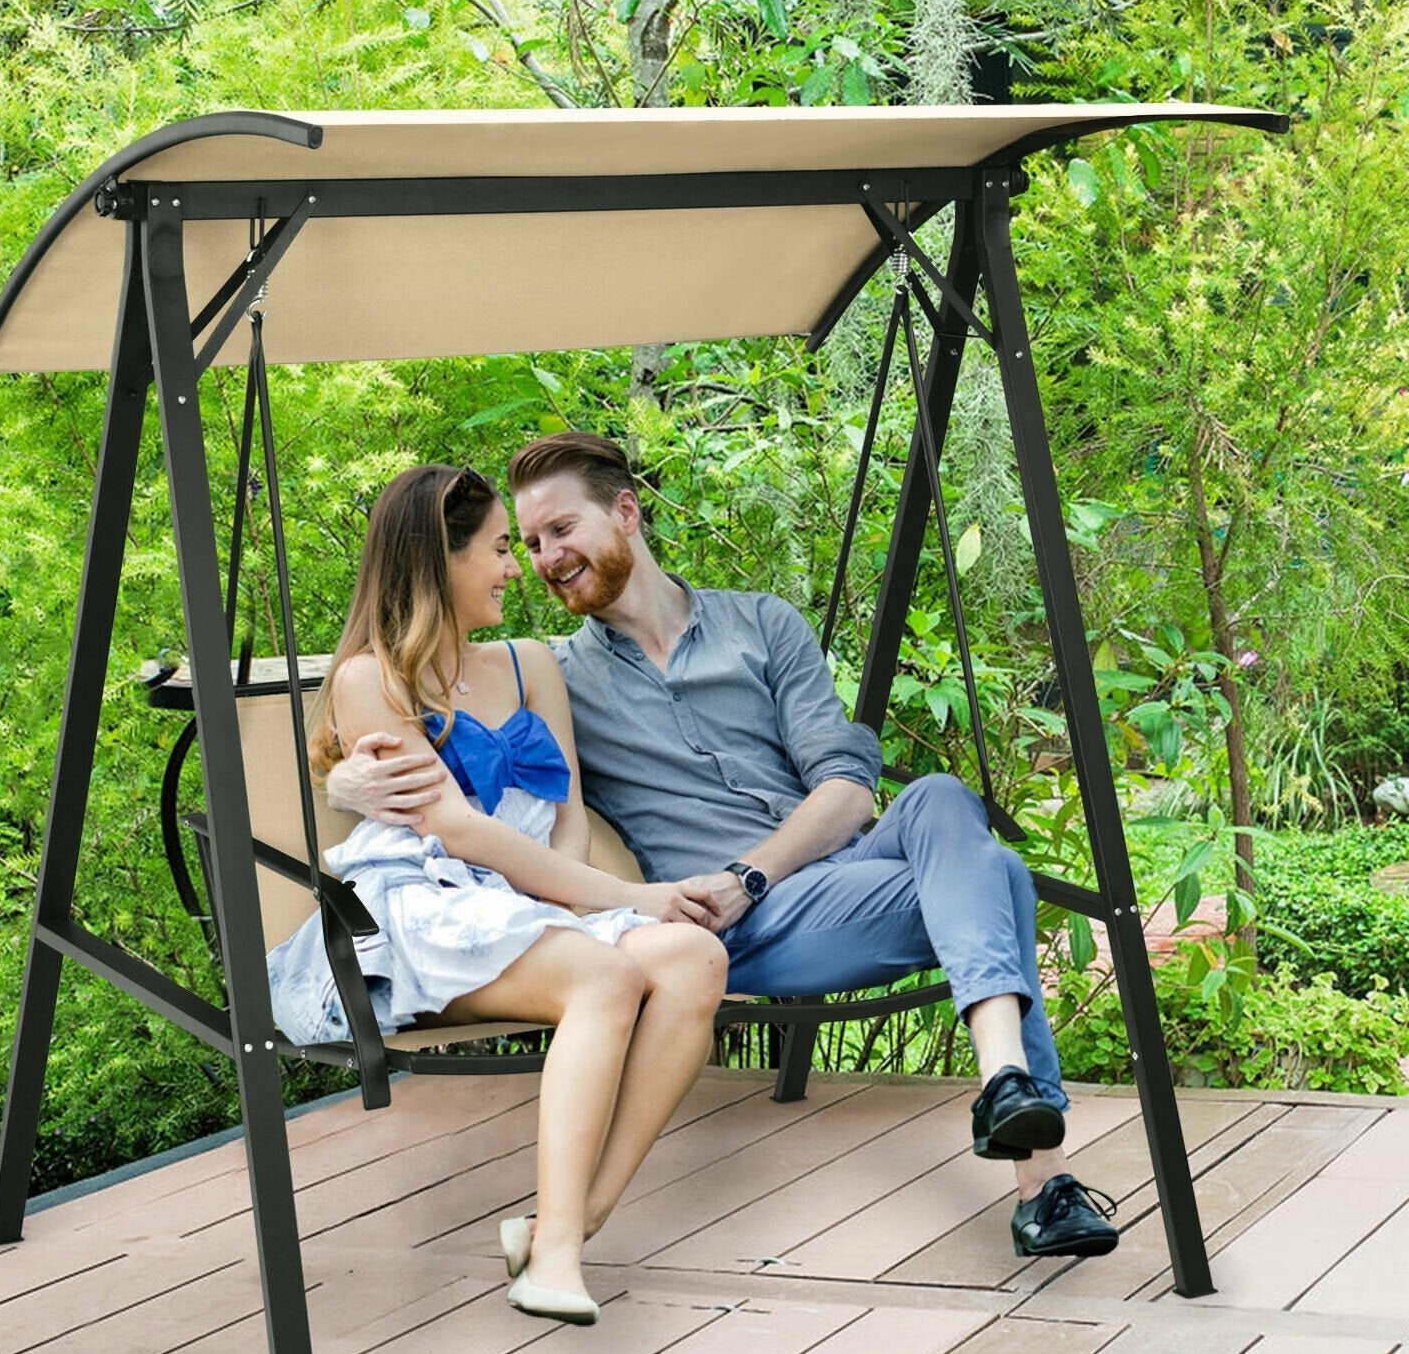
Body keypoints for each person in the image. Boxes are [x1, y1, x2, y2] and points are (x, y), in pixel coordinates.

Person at [327, 435, 1120, 1260]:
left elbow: (848, 788)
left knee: (944, 801)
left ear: (626, 514)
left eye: (560, 530)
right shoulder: (558, 675)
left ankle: (1002, 1082)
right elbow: (429, 710)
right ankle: (1043, 1181)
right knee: (1000, 876)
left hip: (825, 878)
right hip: (731, 923)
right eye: (525, 544)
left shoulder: (762, 624)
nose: (543, 560)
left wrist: (756, 871)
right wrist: (345, 783)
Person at [266, 463, 729, 1325]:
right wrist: (642, 896)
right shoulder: (370, 680)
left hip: (528, 899)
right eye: (497, 549)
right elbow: (459, 831)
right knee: (604, 977)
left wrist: (582, 907)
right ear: (436, 564)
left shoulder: (530, 664)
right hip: (425, 903)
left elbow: (569, 820)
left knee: (696, 957)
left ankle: (572, 1223)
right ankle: (554, 1256)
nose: (518, 567)